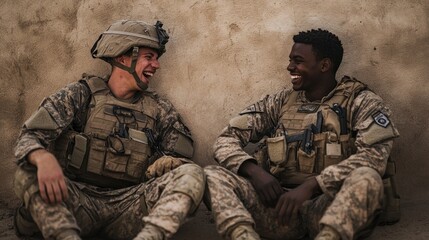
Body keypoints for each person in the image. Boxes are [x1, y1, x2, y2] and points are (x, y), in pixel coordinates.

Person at [13, 19, 205, 240]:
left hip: (130, 210)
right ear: (122, 56)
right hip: (77, 203)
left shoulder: (160, 109)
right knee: (27, 172)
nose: (156, 65)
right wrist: (41, 157)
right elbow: (29, 137)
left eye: (156, 58)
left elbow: (182, 164)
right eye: (148, 57)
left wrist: (171, 162)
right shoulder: (80, 94)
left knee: (192, 174)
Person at [204, 29, 399, 240]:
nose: (289, 67)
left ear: (324, 65)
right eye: (290, 60)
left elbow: (374, 158)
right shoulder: (281, 102)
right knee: (211, 175)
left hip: (330, 207)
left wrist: (313, 185)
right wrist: (252, 171)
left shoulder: (361, 101)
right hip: (279, 211)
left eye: (297, 61)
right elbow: (225, 138)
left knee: (367, 178)